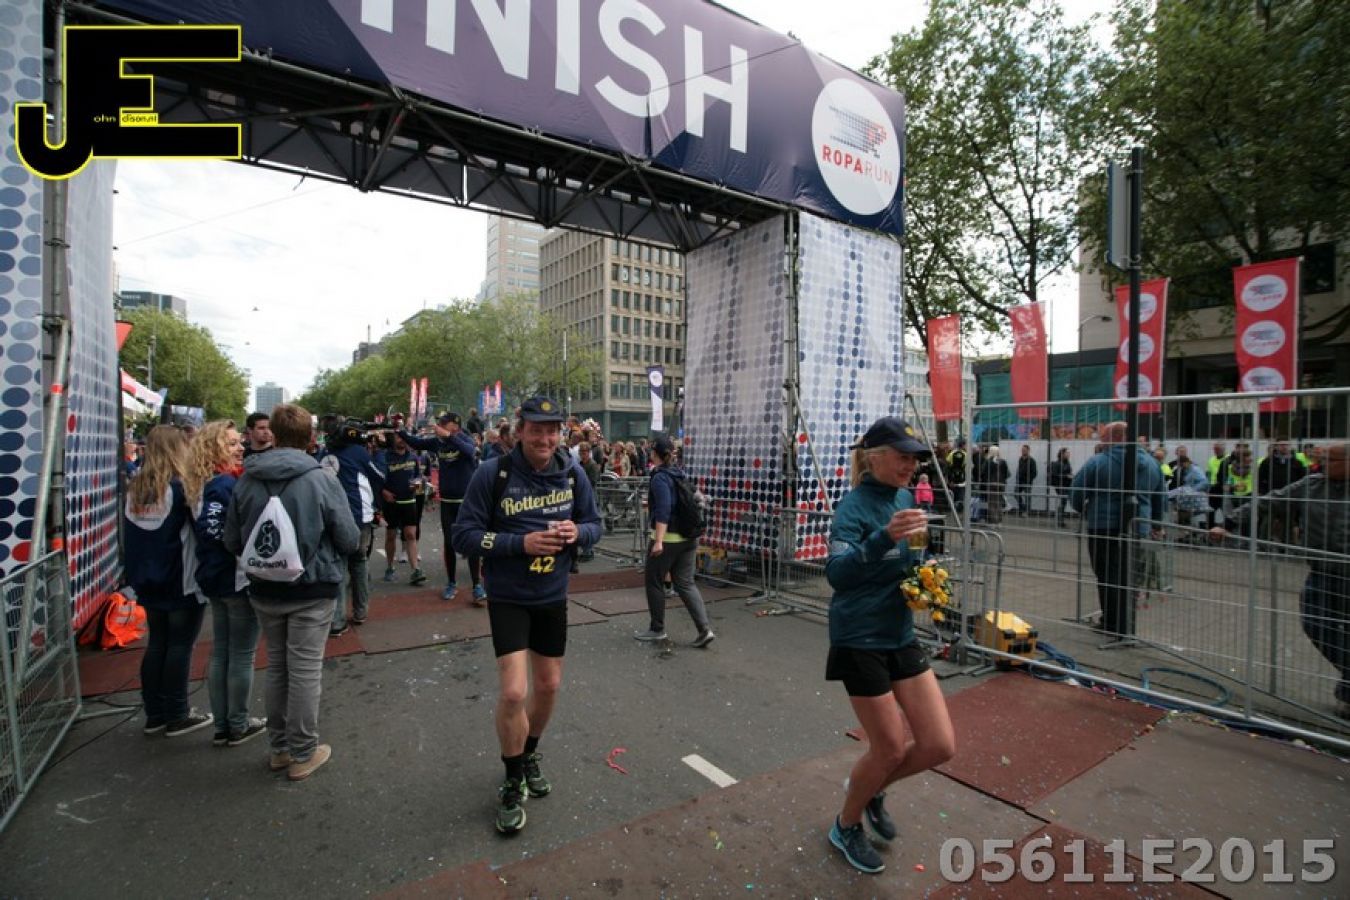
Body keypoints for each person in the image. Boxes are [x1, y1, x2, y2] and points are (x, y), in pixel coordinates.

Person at [451, 396, 603, 835]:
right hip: (509, 597)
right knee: (515, 692)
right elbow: (464, 535)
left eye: (552, 430)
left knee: (549, 686)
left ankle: (529, 752)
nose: (545, 438)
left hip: (552, 595)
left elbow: (595, 524)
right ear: (520, 432)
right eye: (537, 429)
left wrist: (578, 533)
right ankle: (512, 778)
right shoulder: (492, 473)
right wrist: (520, 544)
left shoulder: (572, 472)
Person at [824, 416, 955, 874]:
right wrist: (885, 537)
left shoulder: (905, 498)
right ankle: (846, 825)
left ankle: (871, 787)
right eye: (902, 457)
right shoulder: (852, 508)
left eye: (914, 459)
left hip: (899, 632)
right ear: (875, 457)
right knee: (891, 749)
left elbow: (909, 559)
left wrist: (927, 580)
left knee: (939, 745)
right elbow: (837, 575)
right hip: (859, 637)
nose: (910, 466)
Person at [224, 403, 359, 782]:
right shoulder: (321, 479)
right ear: (311, 438)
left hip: (264, 588)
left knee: (277, 667)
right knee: (304, 671)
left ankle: (279, 748)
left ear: (273, 433)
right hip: (312, 588)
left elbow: (232, 539)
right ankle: (303, 752)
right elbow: (349, 538)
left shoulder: (246, 479)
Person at [1212, 444, 1349, 718]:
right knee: (1315, 622)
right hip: (1322, 571)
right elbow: (1269, 500)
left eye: (1330, 460)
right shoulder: (1312, 485)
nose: (1323, 464)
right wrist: (1229, 522)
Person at [124, 425, 213, 737]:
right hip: (180, 577)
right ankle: (177, 713)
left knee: (157, 643)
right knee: (180, 646)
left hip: (146, 578)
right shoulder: (182, 489)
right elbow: (203, 530)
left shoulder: (135, 488)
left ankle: (155, 713)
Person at [186, 420, 264, 747]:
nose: (240, 447)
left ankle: (223, 725)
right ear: (214, 448)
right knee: (241, 654)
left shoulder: (204, 482)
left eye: (238, 442)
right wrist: (247, 555)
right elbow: (215, 531)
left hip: (214, 576)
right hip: (233, 578)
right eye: (232, 443)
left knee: (222, 652)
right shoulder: (222, 485)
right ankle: (237, 724)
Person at [1068, 421, 1168, 639]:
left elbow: (1076, 492)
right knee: (1131, 576)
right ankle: (1127, 623)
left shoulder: (1098, 462)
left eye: (1103, 437)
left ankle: (1111, 622)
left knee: (1107, 575)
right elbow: (1160, 499)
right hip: (1138, 527)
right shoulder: (1153, 465)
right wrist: (1156, 525)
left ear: (1113, 438)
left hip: (1103, 527)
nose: (1101, 441)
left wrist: (1083, 508)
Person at [634, 436, 714, 647]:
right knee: (685, 583)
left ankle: (657, 629)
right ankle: (704, 629)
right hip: (688, 537)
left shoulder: (660, 477)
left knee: (654, 581)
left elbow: (664, 510)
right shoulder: (680, 473)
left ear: (654, 454)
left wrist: (658, 541)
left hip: (668, 538)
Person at [402, 412, 483, 603]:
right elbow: (416, 443)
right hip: (447, 501)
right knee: (449, 543)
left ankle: (477, 585)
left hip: (466, 502)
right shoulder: (437, 442)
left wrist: (449, 436)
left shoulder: (464, 439)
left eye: (443, 424)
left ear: (455, 425)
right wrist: (399, 430)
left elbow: (470, 452)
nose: (439, 426)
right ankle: (452, 583)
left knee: (472, 542)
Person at [326, 421, 385, 635]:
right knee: (359, 562)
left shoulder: (326, 453)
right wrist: (379, 451)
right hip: (358, 516)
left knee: (338, 566)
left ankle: (337, 621)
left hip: (331, 516)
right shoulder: (358, 452)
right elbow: (380, 475)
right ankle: (360, 611)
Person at [375, 430, 428, 586]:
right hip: (391, 503)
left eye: (404, 437)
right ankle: (390, 567)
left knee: (410, 535)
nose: (402, 440)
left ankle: (416, 570)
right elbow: (376, 479)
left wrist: (417, 484)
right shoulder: (385, 457)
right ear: (393, 439)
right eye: (399, 437)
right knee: (391, 535)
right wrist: (383, 492)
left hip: (409, 501)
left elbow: (418, 477)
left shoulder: (413, 457)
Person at [983, 446, 1009, 525]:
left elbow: (984, 473)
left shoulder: (988, 461)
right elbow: (1007, 473)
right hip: (1001, 484)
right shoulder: (1003, 461)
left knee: (991, 503)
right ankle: (999, 521)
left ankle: (993, 521)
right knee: (999, 503)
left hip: (991, 484)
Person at [1047, 447, 1074, 525]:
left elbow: (1068, 472)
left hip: (1067, 485)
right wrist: (1066, 476)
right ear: (1062, 454)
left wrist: (1071, 475)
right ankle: (1059, 520)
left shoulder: (1067, 463)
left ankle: (1060, 519)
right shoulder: (1057, 463)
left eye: (1068, 453)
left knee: (1063, 502)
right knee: (1063, 502)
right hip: (1059, 485)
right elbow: (1055, 474)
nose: (1068, 454)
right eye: (1067, 453)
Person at [1014, 445, 1037, 517]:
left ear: (1028, 450)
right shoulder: (1020, 459)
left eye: (1024, 450)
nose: (1023, 451)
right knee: (1016, 494)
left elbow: (1034, 473)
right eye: (1022, 450)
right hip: (1019, 481)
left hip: (1027, 482)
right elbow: (1019, 469)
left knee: (1027, 497)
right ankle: (1023, 508)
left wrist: (1029, 480)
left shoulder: (1032, 460)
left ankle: (1026, 512)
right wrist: (1017, 477)